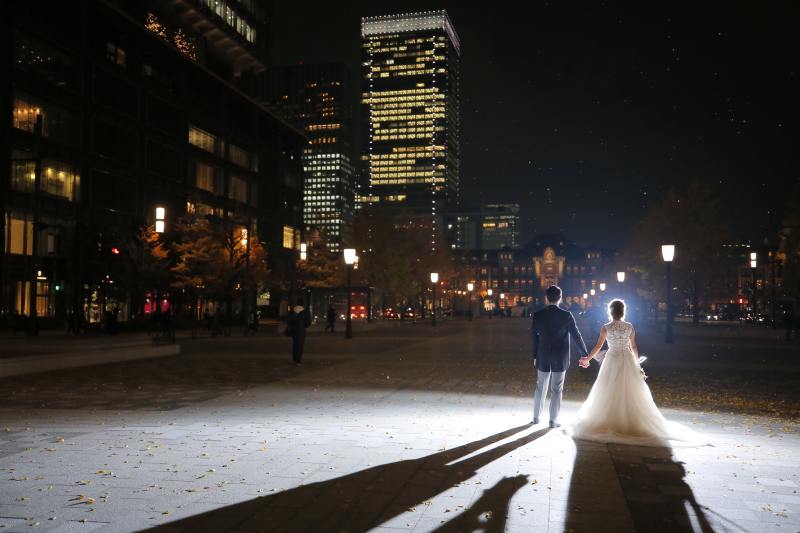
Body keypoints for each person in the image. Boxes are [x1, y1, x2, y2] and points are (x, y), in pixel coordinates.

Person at [574, 299, 701, 446]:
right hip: (627, 359)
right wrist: (636, 364)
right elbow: (633, 347)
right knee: (630, 389)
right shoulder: (629, 327)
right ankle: (630, 420)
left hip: (612, 359)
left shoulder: (606, 327)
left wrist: (587, 359)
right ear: (623, 311)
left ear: (610, 311)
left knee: (608, 388)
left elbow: (597, 347)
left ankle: (610, 419)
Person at [531, 285, 589, 428]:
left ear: (546, 298)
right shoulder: (566, 315)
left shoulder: (538, 315)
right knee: (557, 388)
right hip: (560, 355)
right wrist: (585, 354)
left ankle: (536, 417)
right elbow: (576, 336)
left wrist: (534, 355)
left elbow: (534, 337)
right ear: (560, 298)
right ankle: (552, 420)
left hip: (543, 354)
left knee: (540, 386)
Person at [286, 298, 311, 365]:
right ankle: (298, 360)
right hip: (301, 331)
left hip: (294, 330)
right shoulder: (305, 312)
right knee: (300, 345)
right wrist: (304, 326)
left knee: (295, 344)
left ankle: (294, 359)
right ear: (303, 304)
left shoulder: (292, 311)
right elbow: (308, 323)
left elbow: (288, 321)